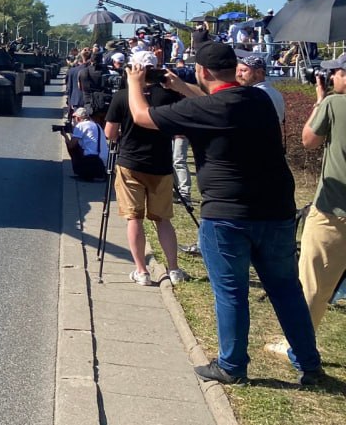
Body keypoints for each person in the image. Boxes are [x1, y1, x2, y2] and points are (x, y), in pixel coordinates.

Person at [125, 41, 325, 387]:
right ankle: (309, 364)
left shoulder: (209, 109)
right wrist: (181, 87)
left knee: (231, 292)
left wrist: (133, 82)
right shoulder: (259, 100)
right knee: (286, 289)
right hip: (276, 210)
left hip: (227, 216)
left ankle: (232, 366)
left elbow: (143, 117)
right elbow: (213, 103)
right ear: (235, 68)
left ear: (202, 71)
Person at [271, 53, 346, 361]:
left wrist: (320, 101)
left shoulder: (334, 104)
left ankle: (298, 346)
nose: (331, 78)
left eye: (336, 73)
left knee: (313, 283)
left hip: (334, 209)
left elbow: (308, 140)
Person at [105, 50, 187, 287]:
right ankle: (174, 269)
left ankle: (141, 271)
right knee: (162, 219)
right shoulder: (169, 95)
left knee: (134, 218)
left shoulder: (122, 96)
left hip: (130, 162)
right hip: (160, 163)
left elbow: (110, 133)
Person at [236, 53, 284, 125]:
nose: (238, 74)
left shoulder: (253, 95)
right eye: (238, 71)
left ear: (259, 72)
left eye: (244, 70)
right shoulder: (275, 92)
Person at [64, 106, 109, 181]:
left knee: (75, 148)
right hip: (103, 161)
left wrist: (65, 136)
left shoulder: (81, 125)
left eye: (74, 118)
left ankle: (81, 171)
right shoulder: (97, 125)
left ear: (78, 118)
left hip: (92, 160)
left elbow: (71, 145)